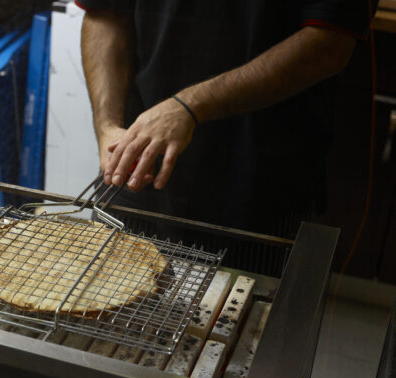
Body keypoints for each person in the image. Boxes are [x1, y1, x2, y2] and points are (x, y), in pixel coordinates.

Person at [76, 0, 376, 254]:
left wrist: (189, 106)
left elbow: (328, 44)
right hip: (137, 166)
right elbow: (104, 14)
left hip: (260, 184)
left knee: (251, 318)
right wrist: (107, 127)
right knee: (106, 311)